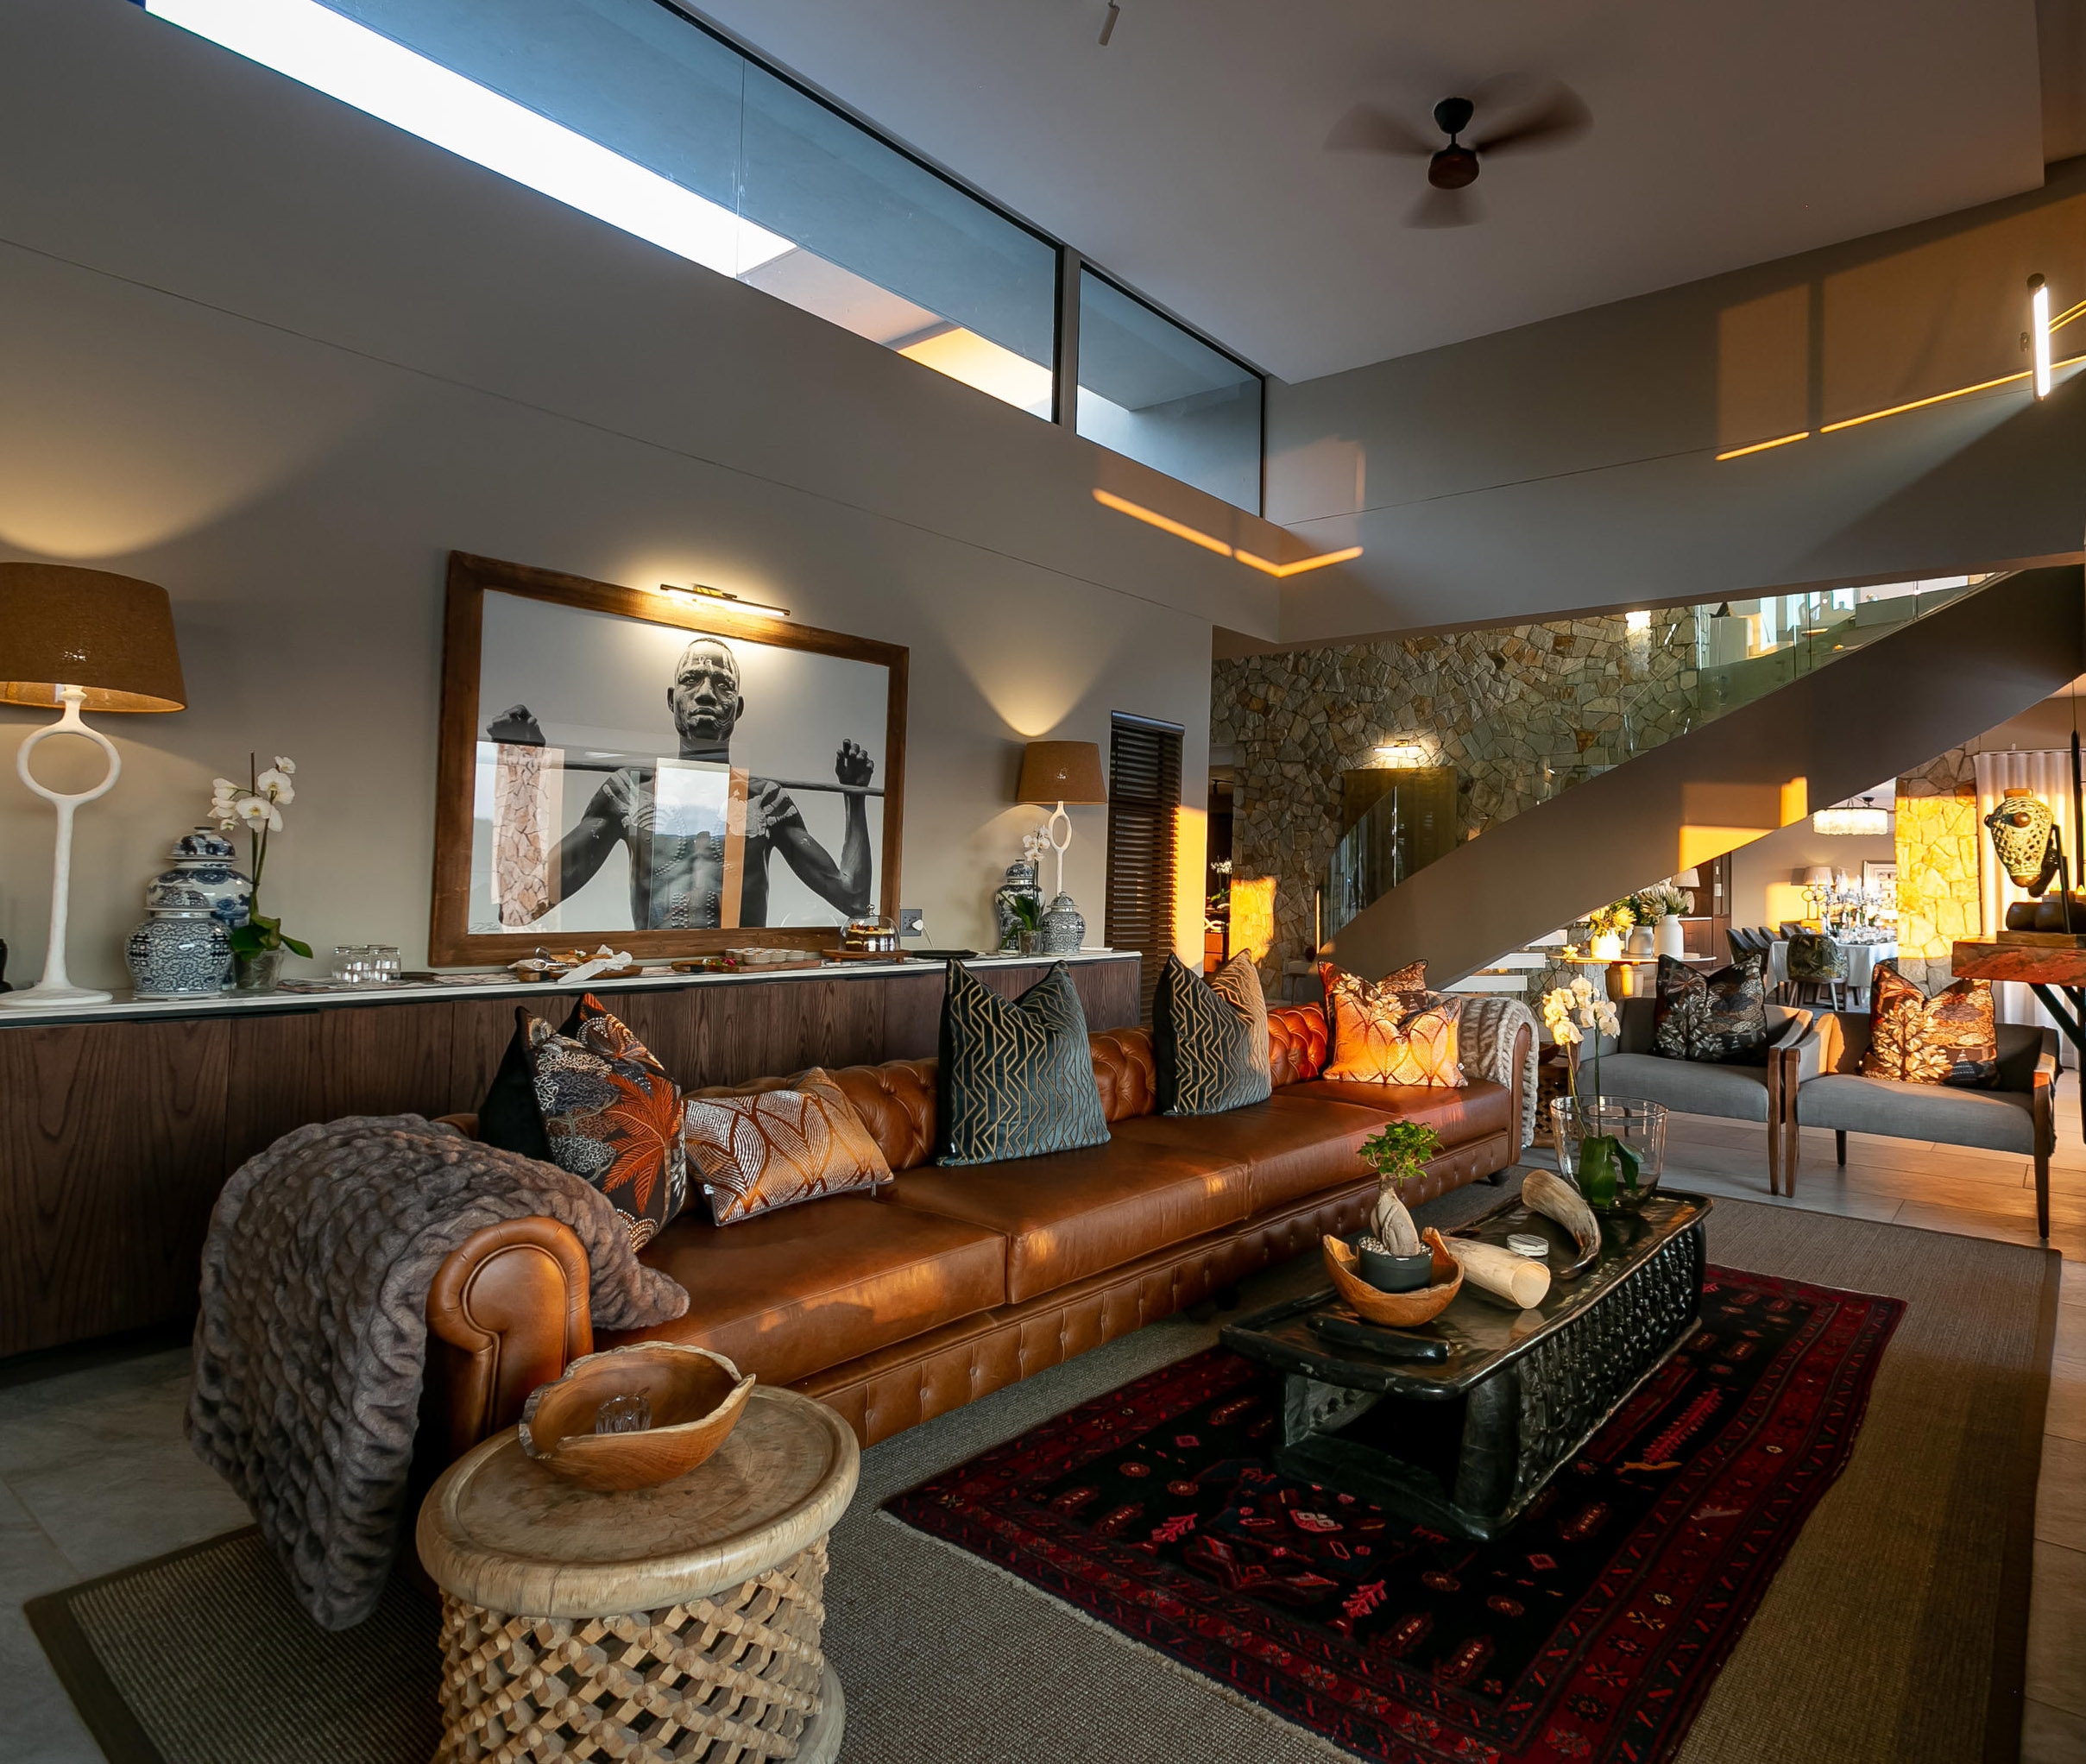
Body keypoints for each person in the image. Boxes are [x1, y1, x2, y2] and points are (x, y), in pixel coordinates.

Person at [488, 636, 873, 928]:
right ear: (672, 699)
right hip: (655, 985)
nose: (706, 693)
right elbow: (520, 906)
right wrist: (521, 770)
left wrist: (855, 798)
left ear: (737, 707)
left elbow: (853, 900)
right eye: (692, 680)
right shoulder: (628, 793)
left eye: (722, 684)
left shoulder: (765, 802)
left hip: (742, 983)